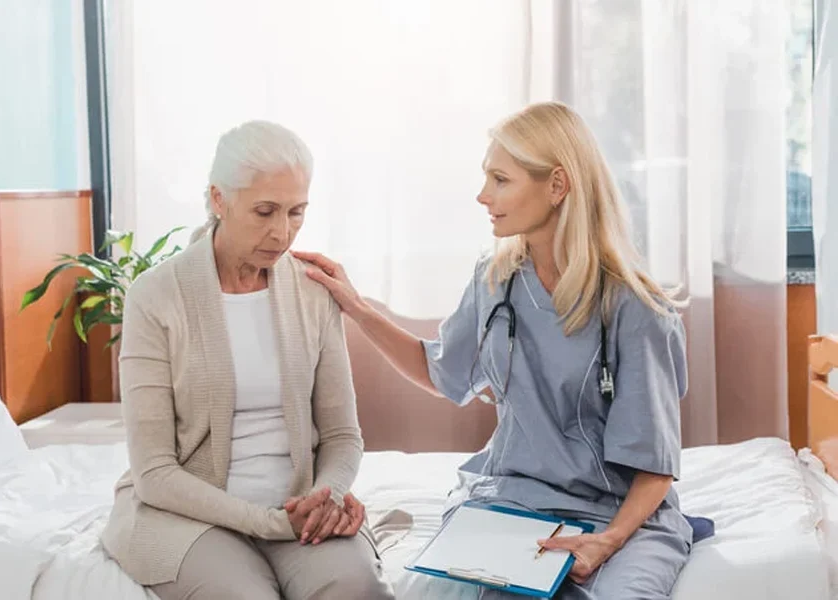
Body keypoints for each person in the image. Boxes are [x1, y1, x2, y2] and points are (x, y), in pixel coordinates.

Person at [294, 101, 693, 599]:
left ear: (557, 185)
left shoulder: (637, 311)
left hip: (617, 514)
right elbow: (443, 371)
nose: (483, 196)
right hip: (513, 501)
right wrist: (357, 308)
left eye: (501, 180)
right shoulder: (496, 279)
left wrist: (605, 543)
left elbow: (654, 469)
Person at [100, 120, 395, 600]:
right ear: (218, 199)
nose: (282, 233)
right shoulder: (154, 296)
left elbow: (342, 436)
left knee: (357, 588)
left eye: (297, 212)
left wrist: (328, 496)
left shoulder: (313, 291)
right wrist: (269, 523)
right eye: (264, 211)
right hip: (190, 516)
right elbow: (154, 473)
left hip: (296, 503)